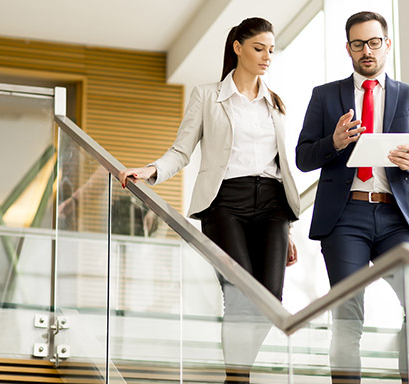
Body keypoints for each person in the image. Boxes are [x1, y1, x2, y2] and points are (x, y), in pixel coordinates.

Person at [119, 17, 300, 384]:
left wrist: (290, 230)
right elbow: (181, 151)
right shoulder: (207, 95)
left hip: (272, 206)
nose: (267, 56)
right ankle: (237, 379)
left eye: (271, 50)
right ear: (238, 47)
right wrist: (151, 171)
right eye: (258, 48)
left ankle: (237, 373)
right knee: (238, 292)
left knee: (271, 299)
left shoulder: (276, 103)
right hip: (224, 203)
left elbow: (279, 168)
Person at [296, 11, 409, 384]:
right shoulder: (325, 96)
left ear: (387, 44)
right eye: (358, 44)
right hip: (345, 217)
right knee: (347, 312)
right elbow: (303, 156)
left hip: (397, 219)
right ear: (348, 48)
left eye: (374, 42)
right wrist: (335, 142)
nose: (367, 51)